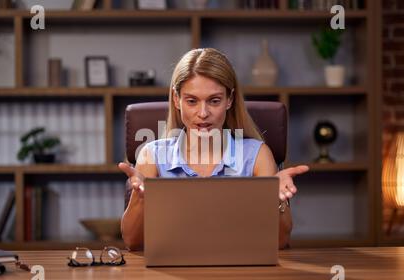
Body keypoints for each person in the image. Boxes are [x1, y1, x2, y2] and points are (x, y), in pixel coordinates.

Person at [119, 48, 309, 251]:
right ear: (177, 100)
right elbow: (133, 243)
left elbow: (280, 242)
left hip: (241, 272)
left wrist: (276, 201)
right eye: (192, 101)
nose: (203, 113)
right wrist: (139, 200)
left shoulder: (257, 156)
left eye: (214, 100)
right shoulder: (152, 156)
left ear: (229, 100)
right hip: (172, 275)